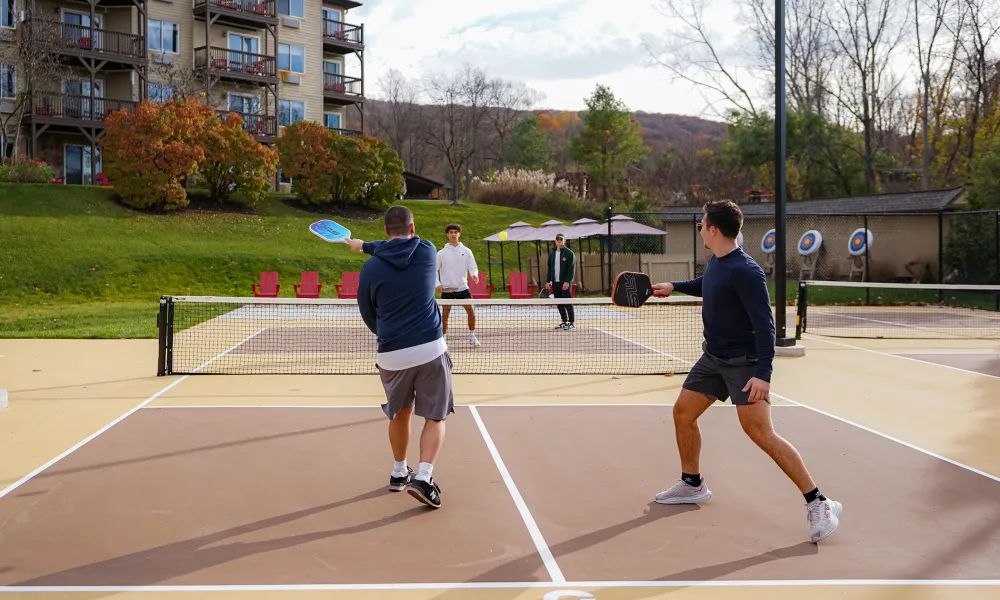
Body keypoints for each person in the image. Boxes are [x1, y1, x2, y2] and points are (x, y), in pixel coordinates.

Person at [651, 200, 842, 543]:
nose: (699, 229)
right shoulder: (718, 262)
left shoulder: (746, 270)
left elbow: (766, 326)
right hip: (714, 358)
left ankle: (819, 502)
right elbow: (708, 283)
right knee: (683, 413)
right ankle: (692, 484)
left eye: (702, 223)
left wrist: (763, 374)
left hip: (744, 363)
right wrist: (675, 286)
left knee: (761, 434)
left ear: (713, 230)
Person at [349, 206, 451, 509]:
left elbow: (367, 311)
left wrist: (364, 247)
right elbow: (400, 244)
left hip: (391, 353)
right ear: (413, 227)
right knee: (435, 415)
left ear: (384, 232)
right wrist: (365, 245)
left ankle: (398, 472)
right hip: (430, 349)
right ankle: (423, 477)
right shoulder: (426, 251)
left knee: (400, 413)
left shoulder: (369, 269)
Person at [436, 223, 481, 347]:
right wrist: (437, 283)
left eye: (455, 232)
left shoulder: (466, 251)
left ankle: (472, 336)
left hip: (463, 288)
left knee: (471, 311)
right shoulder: (441, 253)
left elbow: (472, 266)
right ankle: (443, 338)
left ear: (459, 234)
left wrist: (474, 274)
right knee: (445, 314)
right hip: (447, 289)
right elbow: (434, 270)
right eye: (451, 232)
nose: (453, 234)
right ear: (447, 235)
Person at [545, 233, 576, 330]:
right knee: (559, 303)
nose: (559, 240)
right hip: (555, 282)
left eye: (561, 239)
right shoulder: (552, 253)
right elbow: (550, 268)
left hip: (564, 282)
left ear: (564, 241)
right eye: (557, 239)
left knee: (567, 302)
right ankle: (564, 321)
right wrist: (548, 281)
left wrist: (567, 281)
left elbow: (571, 269)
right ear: (555, 241)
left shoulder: (569, 253)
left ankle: (571, 323)